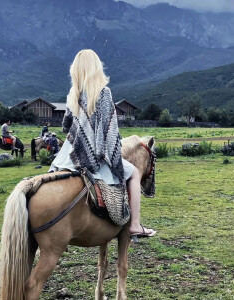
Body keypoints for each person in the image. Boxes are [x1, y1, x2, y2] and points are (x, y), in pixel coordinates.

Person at [49, 49, 156, 240]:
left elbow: (66, 126)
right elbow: (110, 132)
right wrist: (110, 155)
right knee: (133, 173)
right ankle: (135, 225)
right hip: (92, 157)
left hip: (69, 155)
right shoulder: (104, 93)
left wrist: (80, 129)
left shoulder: (73, 94)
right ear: (96, 68)